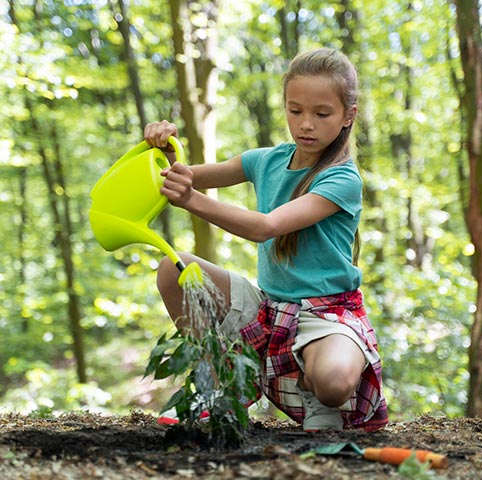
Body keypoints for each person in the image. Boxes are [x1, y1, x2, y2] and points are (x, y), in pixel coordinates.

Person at [144, 47, 388, 432]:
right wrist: (159, 146)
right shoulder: (266, 160)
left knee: (334, 382)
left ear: (348, 116)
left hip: (325, 314)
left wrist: (191, 200)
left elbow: (266, 226)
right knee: (173, 270)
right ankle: (224, 382)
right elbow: (180, 174)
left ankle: (310, 382)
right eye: (295, 110)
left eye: (322, 113)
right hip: (268, 309)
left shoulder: (342, 179)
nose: (306, 124)